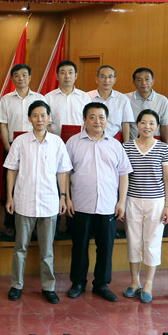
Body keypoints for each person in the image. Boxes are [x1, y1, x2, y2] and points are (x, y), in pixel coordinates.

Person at [4, 101, 72, 304]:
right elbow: (11, 170)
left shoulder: (57, 143)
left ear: (49, 117)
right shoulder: (20, 142)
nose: (39, 119)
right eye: (35, 115)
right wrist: (9, 196)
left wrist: (63, 196)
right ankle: (16, 285)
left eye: (43, 115)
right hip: (24, 201)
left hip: (49, 202)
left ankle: (48, 287)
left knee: (47, 250)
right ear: (29, 118)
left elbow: (63, 172)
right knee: (20, 248)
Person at [65, 102, 132, 302]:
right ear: (84, 120)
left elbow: (124, 174)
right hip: (80, 203)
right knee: (80, 245)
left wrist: (122, 202)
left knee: (105, 247)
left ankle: (101, 284)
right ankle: (78, 282)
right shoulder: (73, 142)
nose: (97, 121)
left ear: (106, 120)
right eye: (92, 117)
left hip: (108, 205)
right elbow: (65, 172)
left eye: (101, 117)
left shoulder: (115, 144)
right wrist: (67, 198)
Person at [120, 110, 168, 304]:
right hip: (132, 200)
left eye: (152, 123)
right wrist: (122, 202)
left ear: (157, 126)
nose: (147, 126)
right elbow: (123, 177)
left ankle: (149, 284)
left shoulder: (164, 149)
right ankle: (135, 282)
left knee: (152, 243)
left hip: (156, 202)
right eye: (143, 122)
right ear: (137, 125)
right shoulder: (126, 147)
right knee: (133, 242)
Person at [0, 63, 46, 234]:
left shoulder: (40, 98)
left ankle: (36, 223)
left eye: (24, 75)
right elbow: (3, 125)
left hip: (36, 147)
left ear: (30, 77)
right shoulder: (6, 99)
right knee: (11, 184)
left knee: (34, 182)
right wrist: (7, 146)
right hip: (12, 146)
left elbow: (45, 123)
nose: (21, 78)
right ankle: (11, 223)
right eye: (17, 75)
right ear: (12, 79)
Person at [126, 67, 168, 143]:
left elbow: (165, 125)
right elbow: (124, 124)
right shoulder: (126, 99)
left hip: (154, 142)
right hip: (133, 142)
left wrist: (166, 146)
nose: (143, 83)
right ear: (134, 82)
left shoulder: (162, 100)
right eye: (139, 80)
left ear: (153, 81)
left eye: (147, 79)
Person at [44, 60, 90, 138]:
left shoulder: (84, 97)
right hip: (55, 140)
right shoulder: (48, 98)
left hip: (80, 140)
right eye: (63, 73)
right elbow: (45, 122)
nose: (67, 76)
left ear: (76, 76)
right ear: (57, 76)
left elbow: (88, 120)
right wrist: (55, 138)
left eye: (70, 72)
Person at [88, 65, 134, 142]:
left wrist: (126, 145)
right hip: (91, 140)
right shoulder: (87, 97)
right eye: (103, 77)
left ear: (114, 80)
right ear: (97, 79)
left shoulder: (122, 99)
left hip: (114, 140)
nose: (106, 80)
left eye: (110, 77)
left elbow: (125, 123)